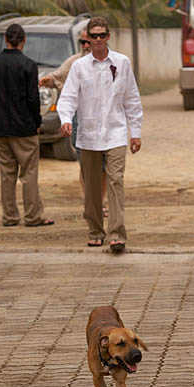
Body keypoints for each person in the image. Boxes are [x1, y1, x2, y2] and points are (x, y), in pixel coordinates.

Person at [57, 16, 142, 253]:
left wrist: (135, 132)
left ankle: (117, 234)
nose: (97, 40)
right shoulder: (79, 67)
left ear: (108, 36)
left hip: (115, 134)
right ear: (87, 38)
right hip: (88, 135)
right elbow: (68, 97)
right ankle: (95, 231)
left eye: (101, 35)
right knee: (93, 188)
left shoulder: (122, 63)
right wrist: (65, 119)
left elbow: (131, 99)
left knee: (115, 181)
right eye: (92, 36)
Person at [0, 23, 54, 228]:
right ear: (24, 40)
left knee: (6, 174)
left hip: (0, 128)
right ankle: (33, 217)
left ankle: (10, 217)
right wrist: (36, 122)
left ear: (5, 39)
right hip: (24, 128)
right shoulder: (28, 65)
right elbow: (33, 99)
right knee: (29, 173)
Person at [40, 30, 108, 214]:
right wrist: (48, 80)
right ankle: (91, 203)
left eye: (90, 40)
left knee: (103, 165)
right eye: (83, 42)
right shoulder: (75, 62)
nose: (87, 45)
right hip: (80, 118)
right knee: (85, 162)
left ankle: (99, 202)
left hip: (103, 120)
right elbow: (57, 76)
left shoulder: (112, 62)